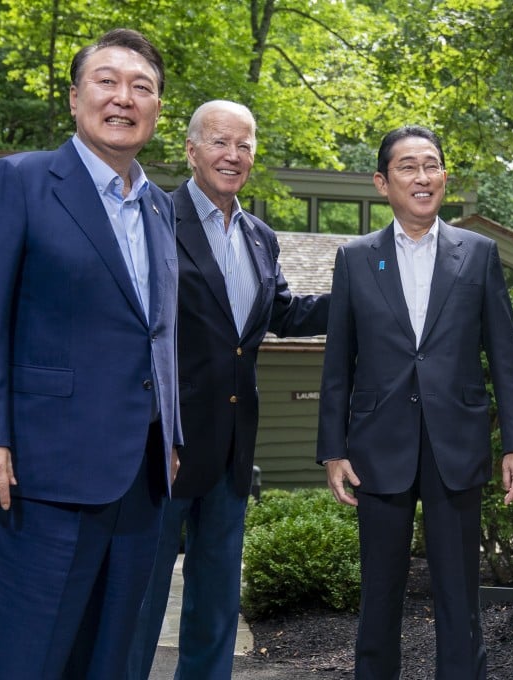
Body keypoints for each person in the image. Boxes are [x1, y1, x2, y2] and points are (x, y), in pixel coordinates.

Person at [0, 28, 181, 680]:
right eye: (107, 81)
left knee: (111, 661)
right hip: (41, 475)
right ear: (76, 97)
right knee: (32, 659)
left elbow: (159, 333)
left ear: (157, 110)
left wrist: (171, 430)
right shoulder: (18, 182)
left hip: (138, 478)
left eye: (142, 88)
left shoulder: (161, 210)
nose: (124, 98)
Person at [317, 125, 513, 680]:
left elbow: (504, 356)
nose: (422, 177)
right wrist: (332, 450)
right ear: (382, 182)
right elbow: (339, 361)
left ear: (444, 177)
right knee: (380, 594)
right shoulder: (356, 257)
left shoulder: (479, 254)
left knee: (459, 596)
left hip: (454, 447)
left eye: (431, 165)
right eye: (408, 167)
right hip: (376, 449)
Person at [126, 99, 330, 679]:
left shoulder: (260, 236)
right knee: (138, 601)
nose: (232, 155)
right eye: (219, 142)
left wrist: (365, 301)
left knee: (216, 602)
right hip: (160, 448)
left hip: (232, 451)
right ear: (191, 151)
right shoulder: (153, 219)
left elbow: (281, 315)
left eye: (244, 145)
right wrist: (149, 428)